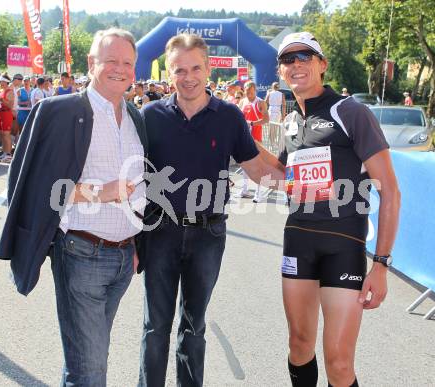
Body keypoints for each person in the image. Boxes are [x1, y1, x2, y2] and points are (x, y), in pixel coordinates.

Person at [0, 28, 149, 386]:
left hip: (123, 259)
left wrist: (137, 245)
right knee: (90, 370)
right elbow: (39, 187)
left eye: (128, 62)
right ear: (91, 62)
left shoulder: (135, 118)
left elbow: (141, 185)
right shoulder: (59, 111)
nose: (120, 69)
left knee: (87, 361)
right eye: (111, 60)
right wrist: (103, 192)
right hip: (81, 253)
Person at [138, 33, 283, 387]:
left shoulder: (229, 116)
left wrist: (308, 187)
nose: (188, 77)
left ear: (208, 69)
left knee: (193, 326)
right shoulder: (149, 116)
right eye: (179, 70)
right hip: (159, 233)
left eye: (195, 68)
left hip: (208, 234)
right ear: (169, 74)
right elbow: (130, 174)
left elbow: (255, 168)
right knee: (156, 326)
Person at [256, 31, 400, 387]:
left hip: (343, 246)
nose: (296, 64)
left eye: (305, 56)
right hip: (298, 243)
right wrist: (237, 140)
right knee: (299, 346)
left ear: (322, 64)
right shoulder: (291, 122)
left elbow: (391, 192)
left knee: (338, 362)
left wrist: (380, 264)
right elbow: (279, 177)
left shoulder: (351, 112)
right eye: (288, 59)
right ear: (281, 71)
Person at [237, 81, 269, 203]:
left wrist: (251, 123)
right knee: (244, 165)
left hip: (256, 139)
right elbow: (239, 118)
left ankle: (258, 193)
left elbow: (266, 119)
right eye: (247, 91)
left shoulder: (260, 102)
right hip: (244, 138)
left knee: (257, 167)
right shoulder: (242, 102)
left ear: (255, 90)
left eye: (251, 92)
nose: (249, 94)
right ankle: (244, 190)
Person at [0, 73, 14, 163]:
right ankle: (4, 153)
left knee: (6, 135)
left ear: (6, 82)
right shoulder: (0, 91)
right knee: (2, 134)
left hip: (6, 114)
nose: (0, 83)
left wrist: (2, 100)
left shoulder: (9, 91)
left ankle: (8, 155)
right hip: (0, 113)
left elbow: (10, 105)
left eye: (1, 81)